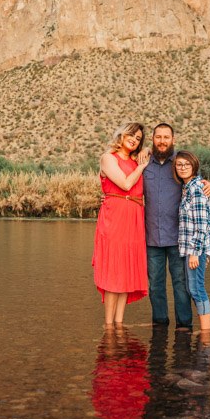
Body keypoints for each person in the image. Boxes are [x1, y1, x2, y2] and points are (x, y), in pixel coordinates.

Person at [142, 123, 210, 330]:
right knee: (155, 286)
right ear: (152, 139)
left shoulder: (179, 165)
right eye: (158, 137)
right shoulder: (144, 164)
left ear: (173, 139)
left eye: (166, 137)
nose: (162, 141)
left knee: (181, 286)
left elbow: (195, 183)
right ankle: (160, 325)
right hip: (152, 237)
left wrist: (209, 184)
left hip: (179, 239)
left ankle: (184, 326)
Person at [93, 122, 151, 327]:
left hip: (134, 217)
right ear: (122, 134)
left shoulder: (136, 160)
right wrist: (142, 166)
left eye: (138, 138)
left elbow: (162, 151)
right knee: (113, 270)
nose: (134, 139)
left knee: (126, 268)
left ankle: (119, 322)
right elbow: (125, 184)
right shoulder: (108, 158)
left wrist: (145, 153)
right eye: (131, 135)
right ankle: (109, 325)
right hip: (115, 217)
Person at [174, 150, 210, 331]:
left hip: (194, 250)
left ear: (194, 166)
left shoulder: (197, 188)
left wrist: (195, 252)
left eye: (186, 165)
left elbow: (202, 223)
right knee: (193, 288)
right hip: (192, 249)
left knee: (197, 289)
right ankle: (205, 328)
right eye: (179, 165)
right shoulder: (187, 187)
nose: (182, 168)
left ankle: (206, 330)